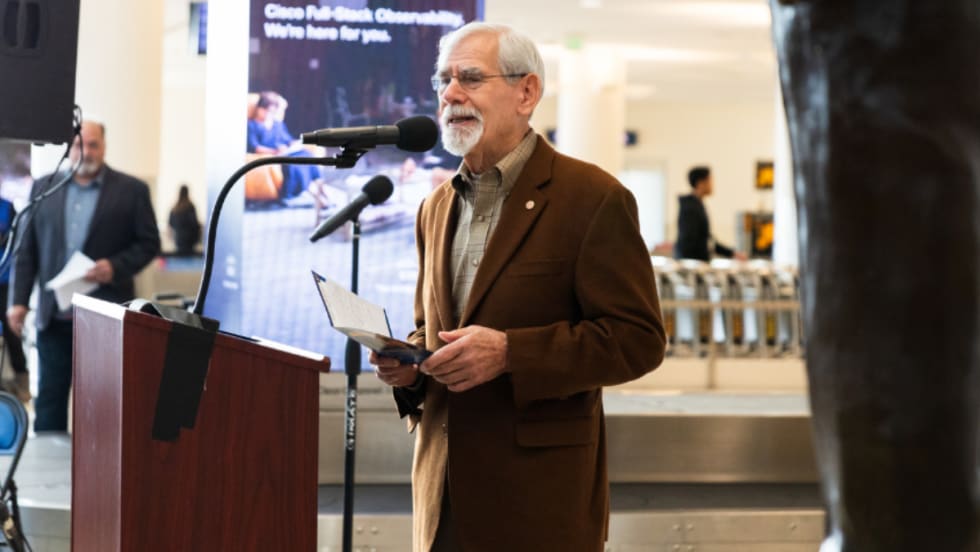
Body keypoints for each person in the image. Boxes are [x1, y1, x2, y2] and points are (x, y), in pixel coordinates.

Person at [370, 23, 666, 552]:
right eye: (444, 81)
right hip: (441, 501)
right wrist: (409, 366)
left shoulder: (592, 198)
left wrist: (511, 353)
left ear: (526, 92)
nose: (451, 94)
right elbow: (430, 327)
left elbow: (637, 339)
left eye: (470, 78)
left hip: (536, 504)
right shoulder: (435, 207)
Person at [8, 120, 161, 432]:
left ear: (104, 147)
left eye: (93, 144)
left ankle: (98, 477)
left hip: (108, 319)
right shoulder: (43, 187)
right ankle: (49, 476)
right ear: (69, 147)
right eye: (80, 144)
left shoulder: (132, 191)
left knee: (104, 405)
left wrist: (115, 266)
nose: (86, 151)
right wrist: (18, 302)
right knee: (49, 403)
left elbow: (149, 244)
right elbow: (27, 252)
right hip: (55, 317)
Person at [246, 91, 321, 200]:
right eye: (265, 110)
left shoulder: (277, 124)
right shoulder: (251, 125)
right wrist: (275, 152)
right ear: (258, 108)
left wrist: (294, 144)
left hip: (285, 152)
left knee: (307, 155)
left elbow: (287, 139)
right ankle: (310, 195)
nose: (267, 114)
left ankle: (321, 192)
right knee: (293, 165)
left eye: (271, 111)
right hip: (271, 154)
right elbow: (255, 147)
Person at [674, 166, 745, 261]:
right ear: (700, 183)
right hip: (692, 265)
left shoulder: (698, 205)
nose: (712, 184)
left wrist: (732, 253)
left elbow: (706, 238)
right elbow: (691, 243)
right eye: (710, 180)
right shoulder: (690, 208)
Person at [0, 197, 29, 403]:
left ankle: (21, 384)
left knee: (12, 333)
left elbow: (17, 243)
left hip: (4, 280)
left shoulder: (7, 207)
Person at [168, 184, 201, 256]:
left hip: (178, 240)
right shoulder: (190, 207)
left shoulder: (175, 208)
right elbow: (194, 224)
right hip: (190, 240)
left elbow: (170, 224)